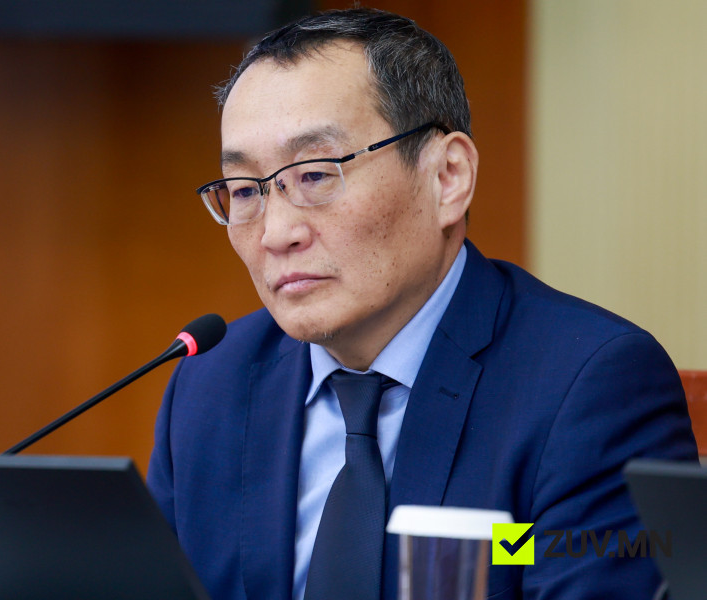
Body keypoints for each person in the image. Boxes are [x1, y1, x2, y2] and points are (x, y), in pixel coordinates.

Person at [147, 8, 697, 600]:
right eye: (244, 190)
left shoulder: (588, 387)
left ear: (447, 177)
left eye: (315, 175)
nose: (276, 233)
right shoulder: (210, 385)